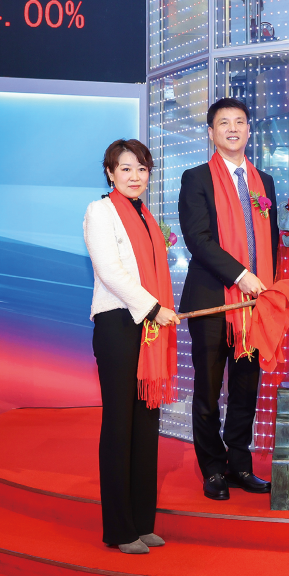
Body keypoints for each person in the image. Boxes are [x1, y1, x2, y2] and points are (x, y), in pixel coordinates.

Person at [179, 97, 279, 500]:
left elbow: (271, 239)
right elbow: (198, 239)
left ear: (249, 131)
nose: (233, 129)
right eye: (224, 123)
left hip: (254, 305)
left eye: (240, 122)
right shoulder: (196, 178)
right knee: (207, 389)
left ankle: (239, 465)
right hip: (212, 301)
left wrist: (265, 286)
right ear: (211, 133)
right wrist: (242, 276)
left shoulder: (264, 181)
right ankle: (212, 469)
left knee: (245, 388)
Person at [84, 139, 179, 554]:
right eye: (125, 168)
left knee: (146, 426)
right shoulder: (100, 211)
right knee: (119, 425)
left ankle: (142, 522)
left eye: (141, 169)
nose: (134, 176)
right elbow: (110, 271)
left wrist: (156, 311)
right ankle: (120, 529)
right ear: (110, 173)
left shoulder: (147, 216)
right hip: (118, 324)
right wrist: (154, 308)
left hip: (148, 326)